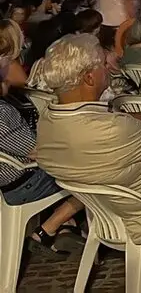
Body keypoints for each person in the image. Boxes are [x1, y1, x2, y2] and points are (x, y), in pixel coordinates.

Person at [34, 34, 141, 293]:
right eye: (103, 64)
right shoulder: (114, 131)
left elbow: (115, 114)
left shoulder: (47, 123)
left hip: (104, 213)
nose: (109, 69)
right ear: (89, 78)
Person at [0, 21, 85, 258]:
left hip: (19, 179)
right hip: (24, 182)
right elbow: (38, 151)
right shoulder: (2, 111)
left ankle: (66, 228)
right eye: (10, 59)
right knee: (97, 172)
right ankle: (48, 229)